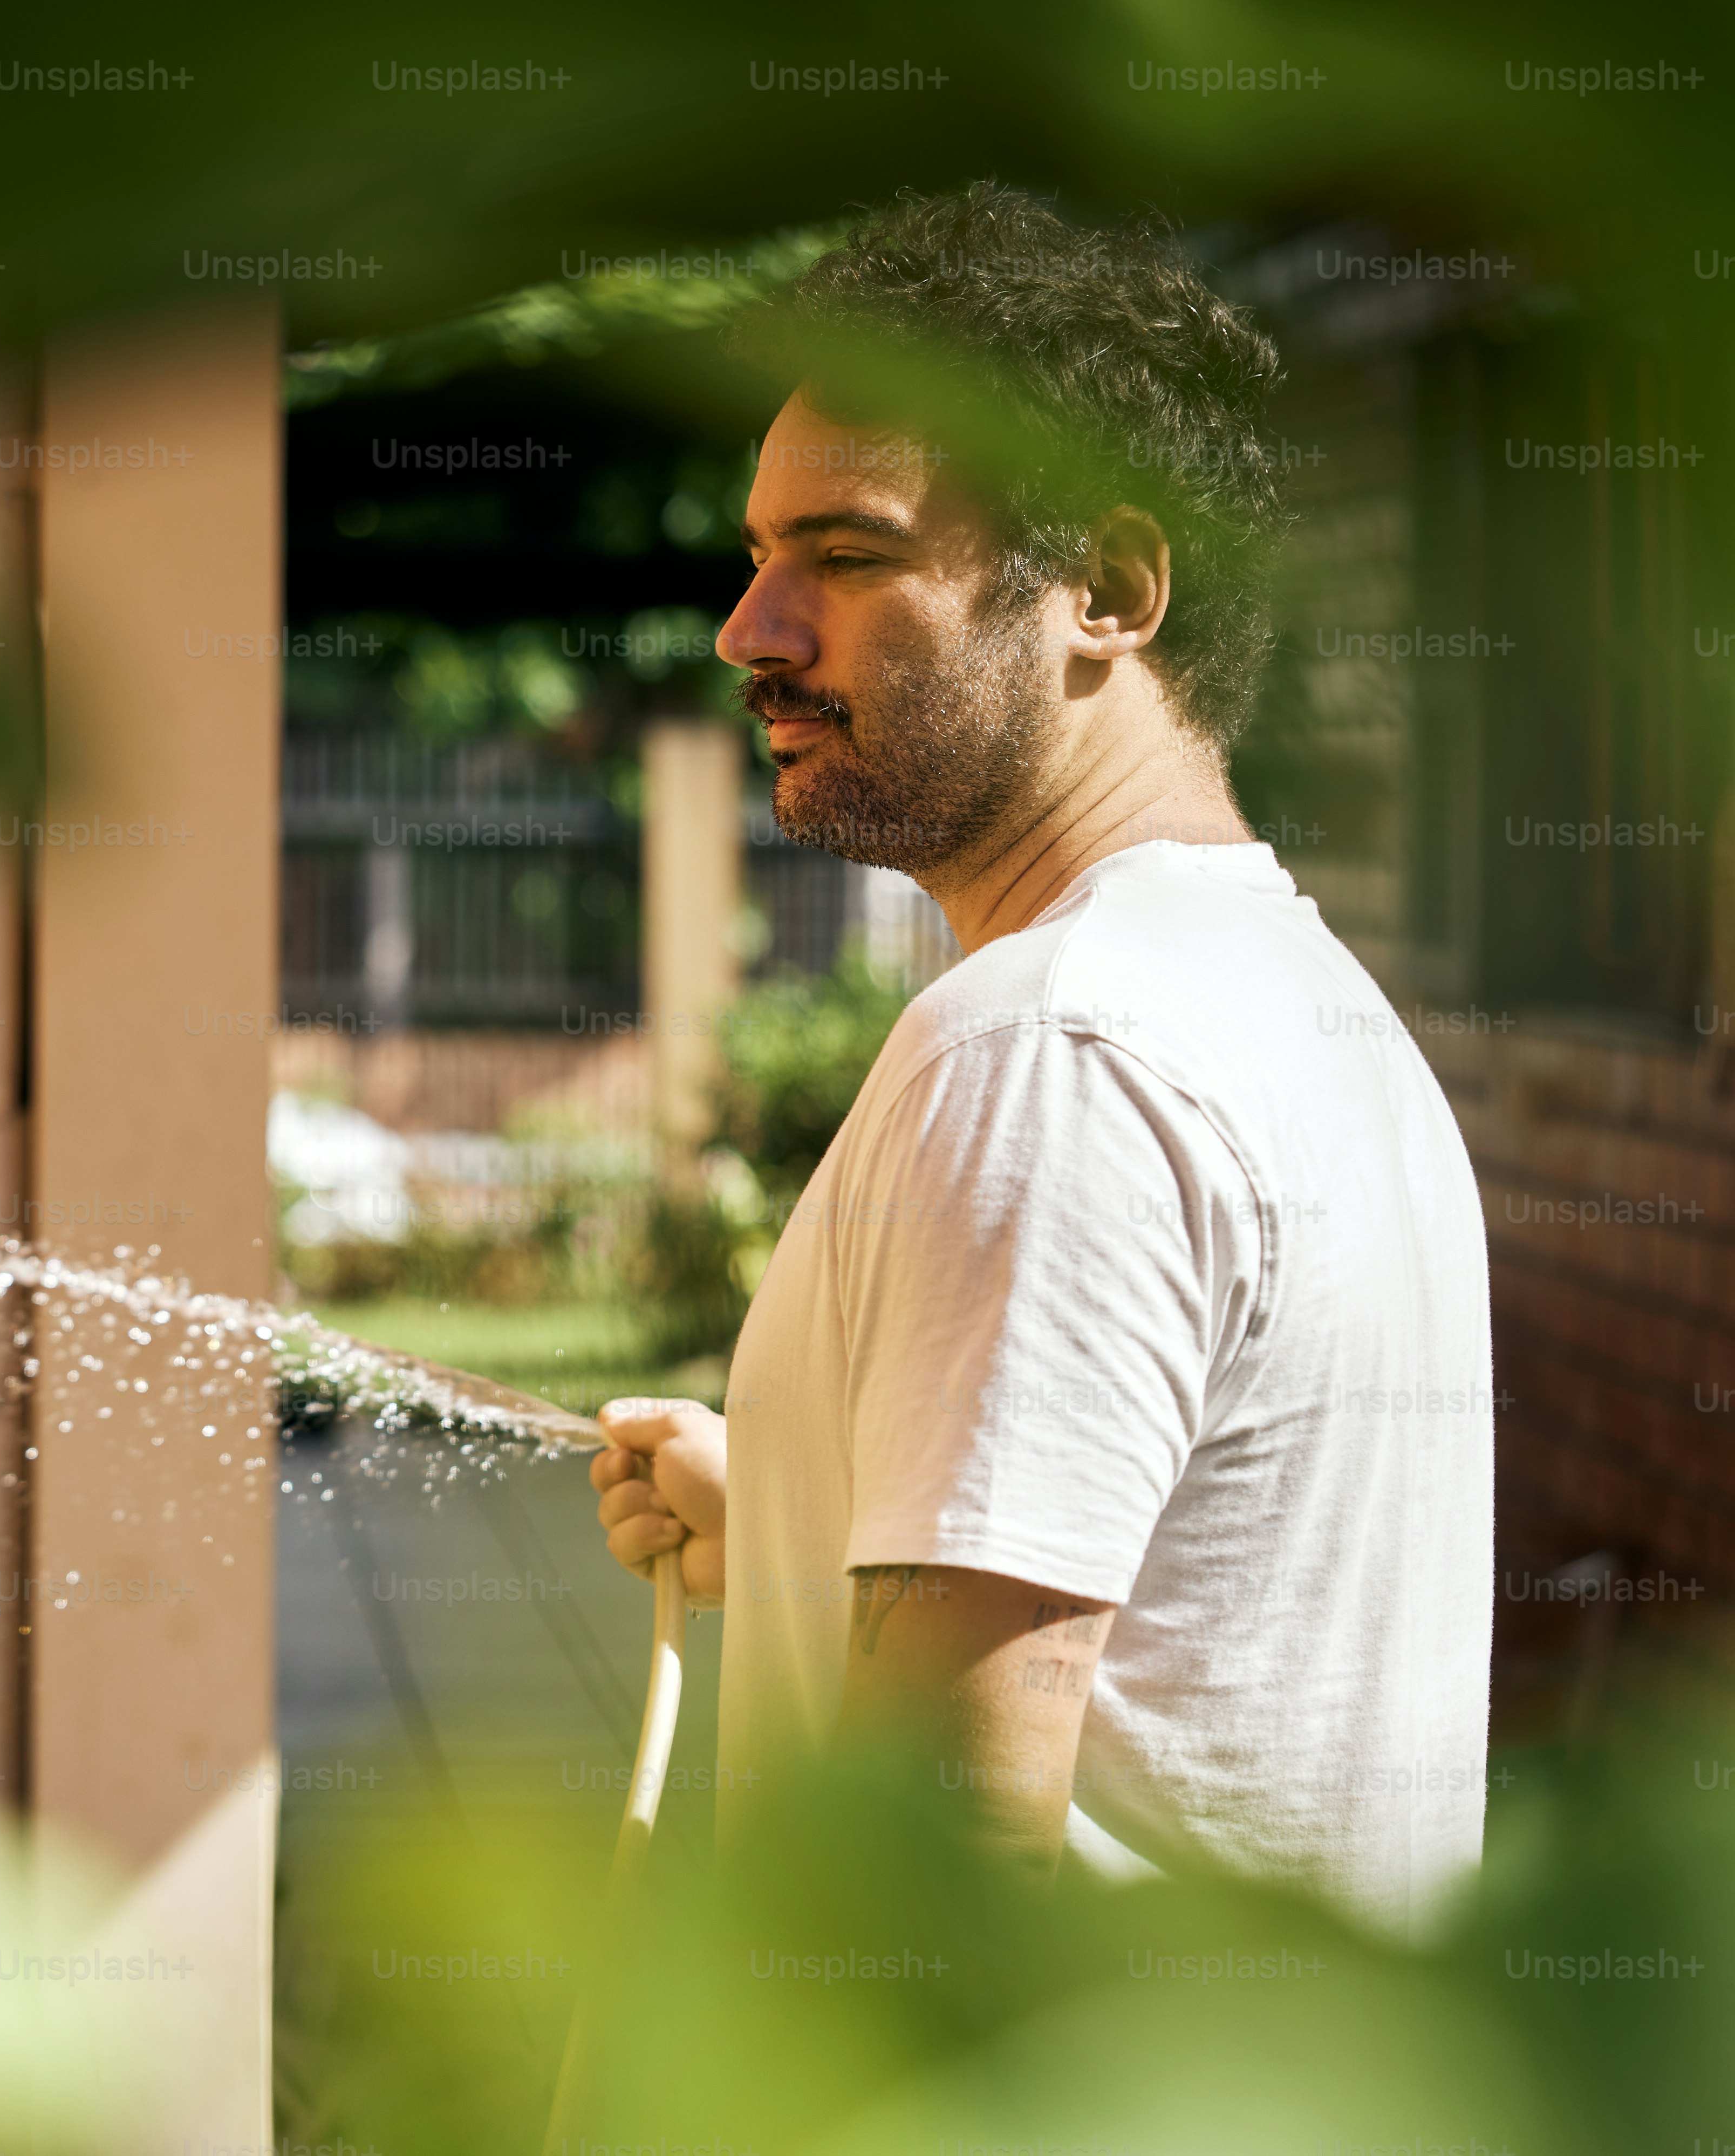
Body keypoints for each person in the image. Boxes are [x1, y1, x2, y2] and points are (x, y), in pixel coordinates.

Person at [589, 183, 1493, 1934]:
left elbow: (930, 1897)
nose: (751, 630)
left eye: (845, 558)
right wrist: (788, 1510)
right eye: (758, 557)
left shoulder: (1051, 1054)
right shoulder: (1306, 1007)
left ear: (1109, 586)